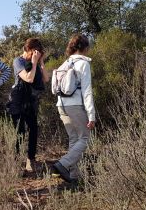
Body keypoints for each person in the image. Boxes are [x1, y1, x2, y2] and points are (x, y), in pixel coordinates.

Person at [51, 34, 95, 184]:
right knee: (85, 138)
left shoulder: (65, 63)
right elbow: (87, 91)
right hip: (75, 105)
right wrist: (91, 115)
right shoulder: (84, 64)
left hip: (61, 104)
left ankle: (73, 176)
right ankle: (62, 164)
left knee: (74, 139)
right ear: (85, 48)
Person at [10, 38, 49, 172]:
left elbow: (46, 78)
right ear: (27, 50)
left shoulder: (36, 62)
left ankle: (30, 160)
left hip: (31, 99)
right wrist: (33, 62)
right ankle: (15, 162)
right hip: (18, 98)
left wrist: (41, 62)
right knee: (19, 131)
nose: (34, 55)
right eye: (33, 52)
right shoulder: (18, 61)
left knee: (33, 129)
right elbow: (28, 78)